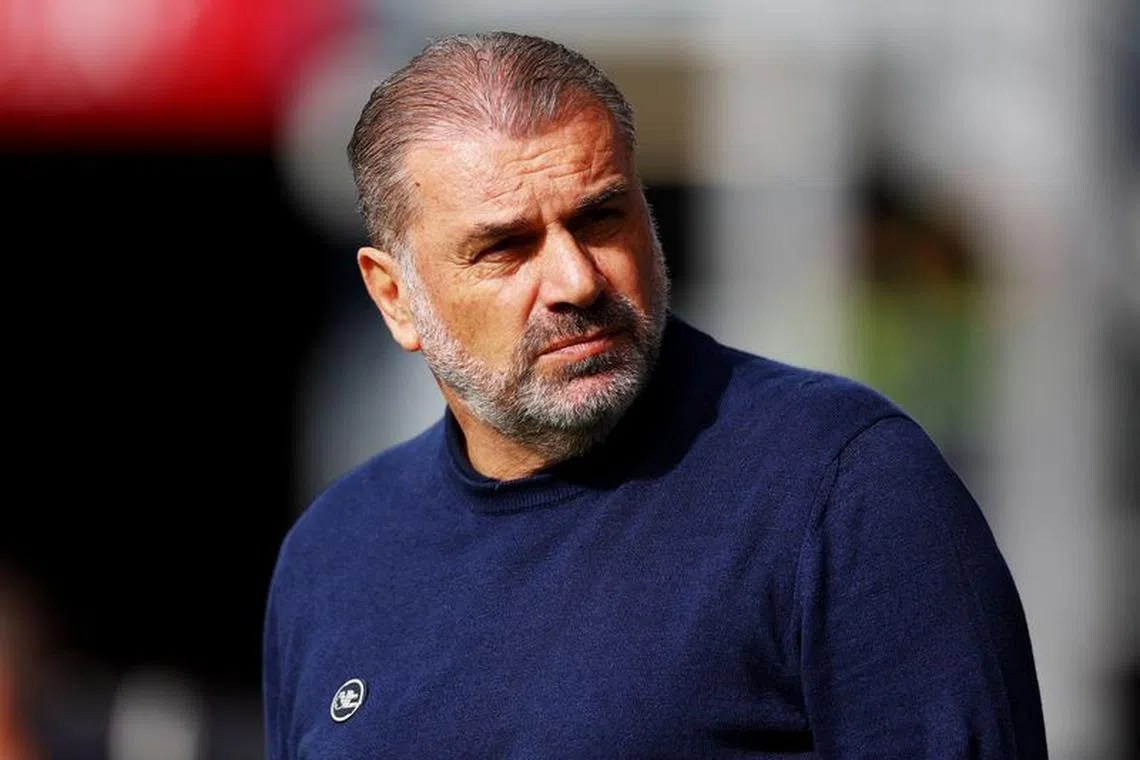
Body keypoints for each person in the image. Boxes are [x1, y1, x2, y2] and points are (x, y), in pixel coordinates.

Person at [262, 31, 1047, 758]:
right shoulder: (332, 556)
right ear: (395, 297)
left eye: (601, 217)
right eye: (506, 247)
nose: (575, 280)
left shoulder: (844, 490)